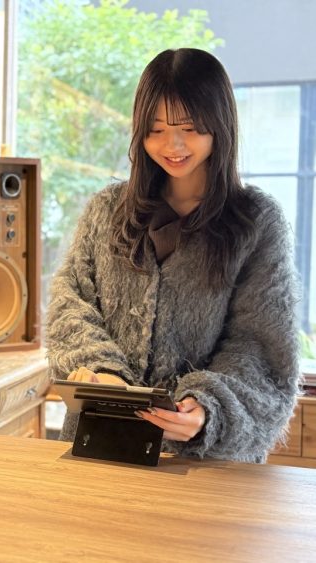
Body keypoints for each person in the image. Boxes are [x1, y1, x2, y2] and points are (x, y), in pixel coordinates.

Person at [45, 48, 301, 463]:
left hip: (203, 462)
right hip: (102, 442)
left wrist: (207, 408)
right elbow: (71, 303)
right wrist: (103, 374)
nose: (173, 145)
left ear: (219, 124)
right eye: (156, 129)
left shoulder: (256, 221)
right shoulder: (106, 211)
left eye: (189, 128)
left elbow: (260, 347)